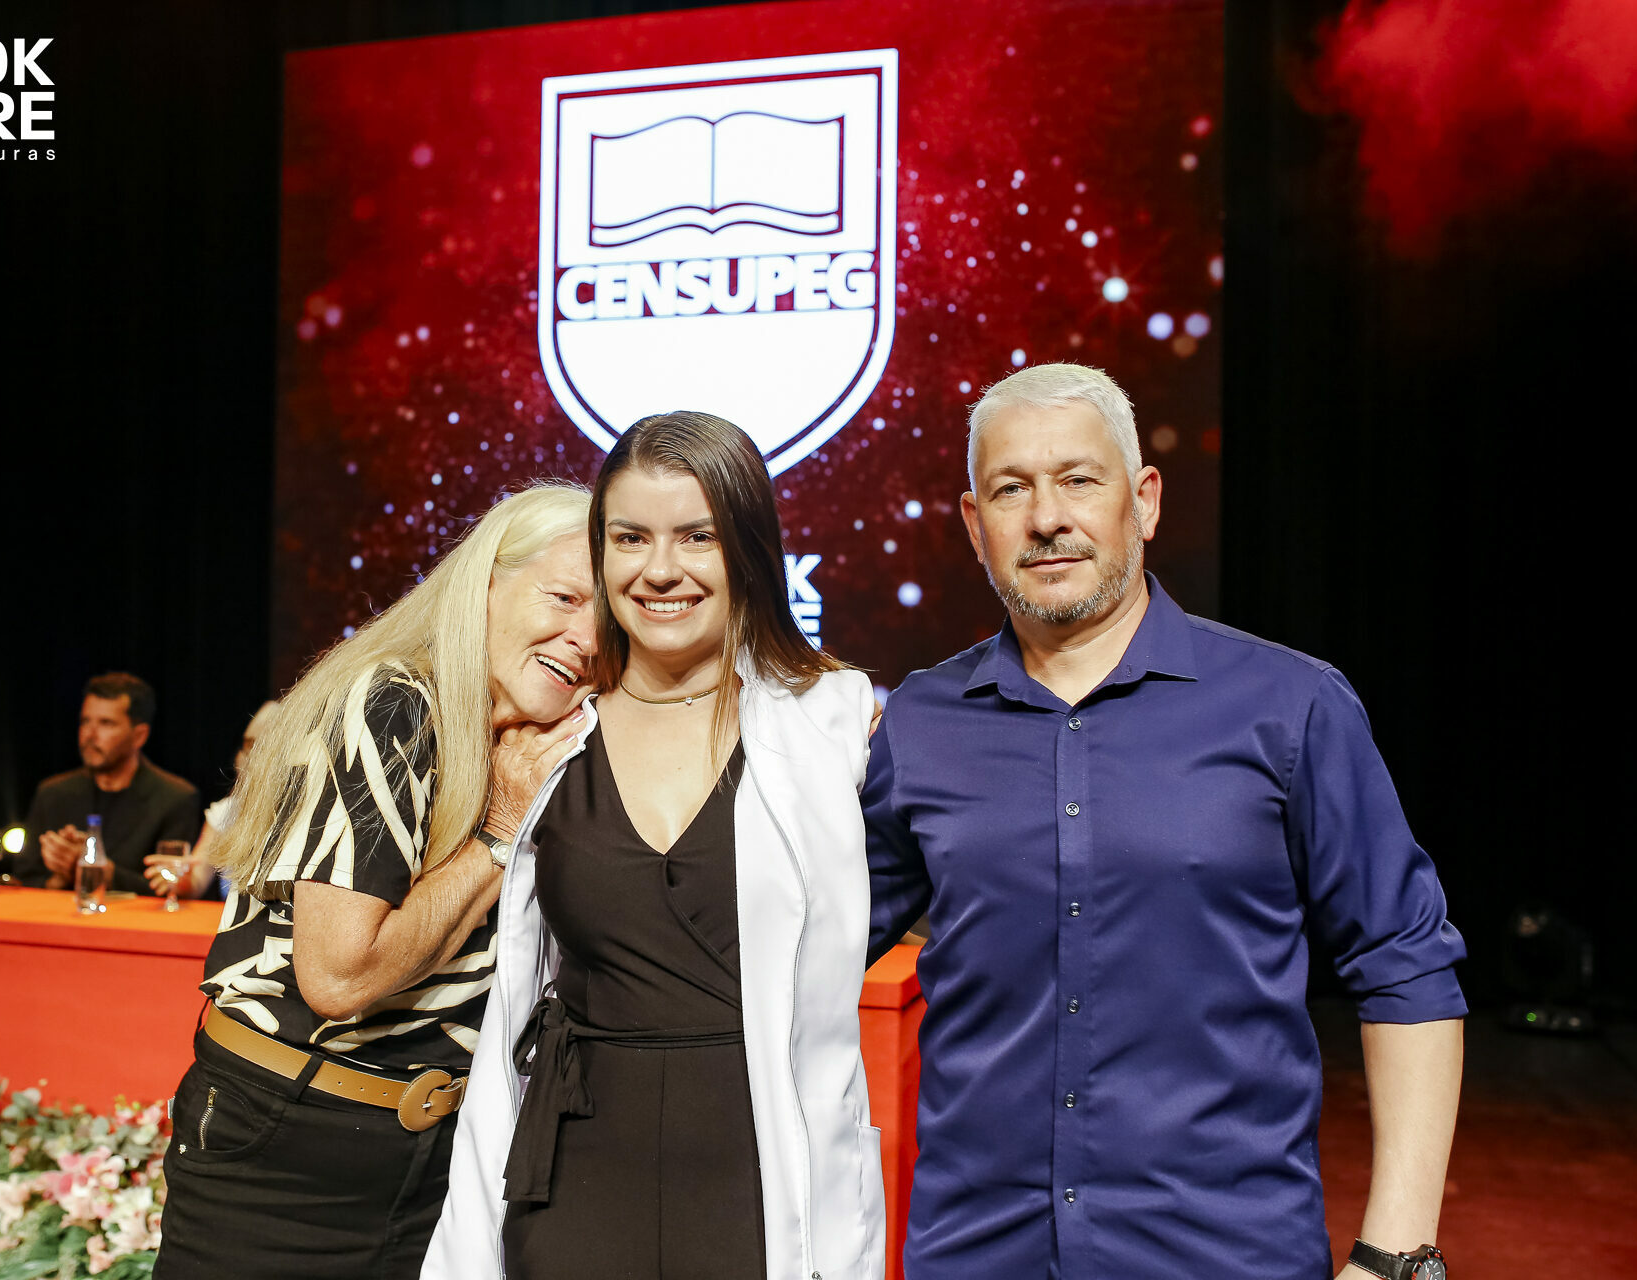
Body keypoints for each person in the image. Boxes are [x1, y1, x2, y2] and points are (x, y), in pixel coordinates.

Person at [863, 363, 1465, 1280]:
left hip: (1223, 1253)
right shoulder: (919, 723)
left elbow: (1406, 965)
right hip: (979, 1252)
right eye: (1011, 489)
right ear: (975, 526)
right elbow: (800, 946)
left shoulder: (1289, 705)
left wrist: (1396, 1259)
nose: (1047, 517)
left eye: (1078, 479)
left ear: (1142, 501)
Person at [426, 414, 886, 1280]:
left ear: (748, 549)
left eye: (697, 537)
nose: (660, 569)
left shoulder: (831, 725)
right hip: (574, 1183)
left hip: (761, 1185)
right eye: (630, 537)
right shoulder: (547, 741)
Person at [154, 483, 598, 1280]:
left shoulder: (554, 745)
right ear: (486, 583)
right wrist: (499, 832)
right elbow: (338, 976)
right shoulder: (394, 703)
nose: (588, 637)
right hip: (291, 1149)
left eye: (611, 620)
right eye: (564, 597)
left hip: (439, 1159)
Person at [12, 673, 201, 895]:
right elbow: (24, 880)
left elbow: (173, 888)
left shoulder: (174, 798)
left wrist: (105, 874)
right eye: (85, 721)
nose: (90, 734)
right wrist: (61, 878)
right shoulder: (52, 793)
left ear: (139, 736)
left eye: (106, 723)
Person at [143, 700, 280, 901]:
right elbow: (197, 880)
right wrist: (182, 881)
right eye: (248, 747)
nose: (251, 758)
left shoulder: (303, 814)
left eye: (263, 748)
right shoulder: (227, 812)